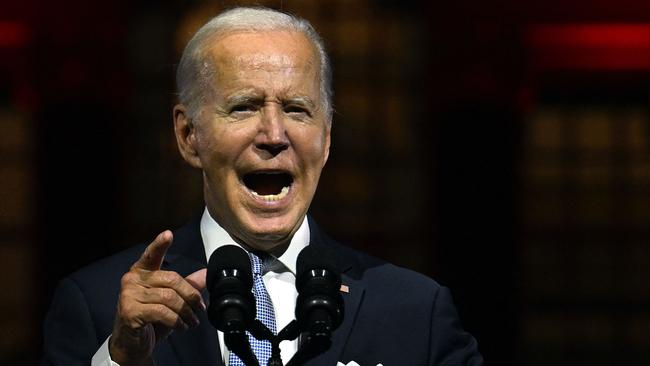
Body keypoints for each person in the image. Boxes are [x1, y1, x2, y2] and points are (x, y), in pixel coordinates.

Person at [42, 7, 483, 366]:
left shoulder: (416, 312)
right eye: (244, 107)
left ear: (326, 138)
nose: (274, 134)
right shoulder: (96, 306)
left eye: (296, 109)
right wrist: (122, 360)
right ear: (188, 136)